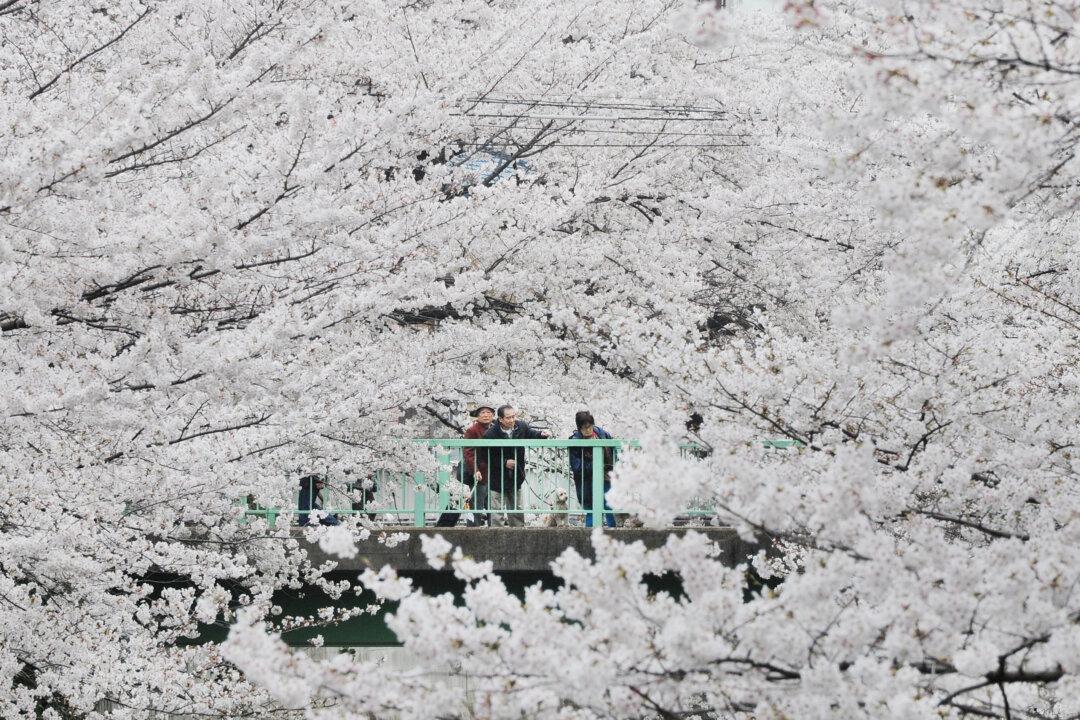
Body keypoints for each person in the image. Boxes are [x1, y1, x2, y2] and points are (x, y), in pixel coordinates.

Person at [483, 405, 551, 526]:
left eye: (513, 416)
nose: (512, 420)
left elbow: (531, 434)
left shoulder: (521, 426)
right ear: (500, 419)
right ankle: (495, 536)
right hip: (497, 477)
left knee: (517, 509)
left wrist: (542, 434)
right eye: (508, 417)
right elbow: (486, 456)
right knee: (496, 512)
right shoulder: (490, 434)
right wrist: (504, 462)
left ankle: (518, 535)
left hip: (516, 475)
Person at [436, 403, 494, 527]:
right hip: (477, 472)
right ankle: (473, 529)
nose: (486, 415)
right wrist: (475, 470)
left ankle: (492, 527)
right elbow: (468, 453)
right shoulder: (472, 430)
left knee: (490, 503)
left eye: (489, 413)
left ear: (493, 415)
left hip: (491, 472)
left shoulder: (494, 428)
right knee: (476, 504)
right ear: (477, 416)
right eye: (482, 413)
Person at [568, 411, 617, 528]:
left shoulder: (602, 434)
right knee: (591, 509)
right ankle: (590, 540)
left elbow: (614, 451)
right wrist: (595, 464)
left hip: (605, 476)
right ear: (579, 428)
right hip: (586, 481)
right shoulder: (575, 442)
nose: (588, 430)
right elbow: (577, 467)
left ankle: (613, 534)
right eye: (584, 428)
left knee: (609, 506)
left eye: (590, 426)